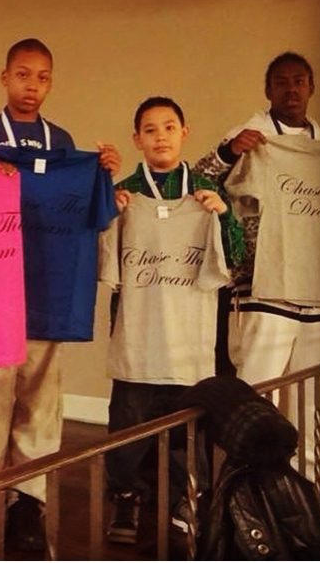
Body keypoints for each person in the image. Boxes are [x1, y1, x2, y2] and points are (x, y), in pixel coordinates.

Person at [0, 38, 121, 551]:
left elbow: (94, 213)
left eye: (43, 77)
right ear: (5, 77)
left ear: (51, 83)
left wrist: (104, 172)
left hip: (47, 289)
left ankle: (30, 501)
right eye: (23, 74)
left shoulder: (63, 142)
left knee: (41, 401)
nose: (32, 85)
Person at [99, 97, 244, 544]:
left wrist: (223, 216)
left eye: (168, 127)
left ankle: (187, 499)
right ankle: (126, 496)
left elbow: (235, 257)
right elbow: (98, 259)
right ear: (137, 139)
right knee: (128, 422)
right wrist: (108, 213)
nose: (160, 136)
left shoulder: (205, 191)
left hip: (190, 335)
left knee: (188, 427)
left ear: (184, 132)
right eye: (150, 129)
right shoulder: (123, 193)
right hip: (138, 332)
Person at [194, 52, 320, 486]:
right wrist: (228, 152)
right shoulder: (251, 139)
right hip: (264, 290)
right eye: (281, 82)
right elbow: (198, 181)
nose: (291, 89)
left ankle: (312, 489)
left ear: (311, 87)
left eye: (299, 81)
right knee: (256, 394)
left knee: (315, 398)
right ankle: (245, 489)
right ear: (268, 89)